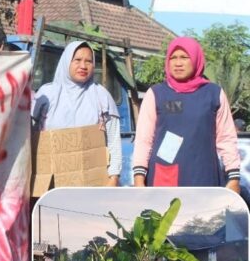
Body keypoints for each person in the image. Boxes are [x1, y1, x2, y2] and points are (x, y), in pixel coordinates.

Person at [133, 37, 240, 191]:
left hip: (204, 176)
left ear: (196, 59)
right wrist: (138, 178)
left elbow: (226, 138)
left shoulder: (214, 94)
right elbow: (144, 139)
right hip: (164, 178)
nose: (178, 63)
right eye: (173, 58)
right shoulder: (156, 94)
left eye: (184, 57)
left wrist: (234, 176)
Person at [32, 41, 122, 186]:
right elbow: (30, 135)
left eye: (88, 61)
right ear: (67, 61)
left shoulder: (102, 97)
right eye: (77, 60)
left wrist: (114, 177)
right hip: (51, 185)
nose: (83, 66)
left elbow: (113, 141)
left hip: (91, 185)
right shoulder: (47, 94)